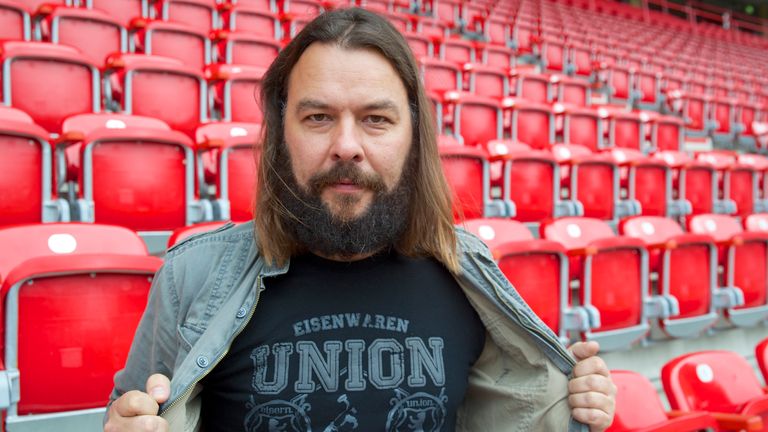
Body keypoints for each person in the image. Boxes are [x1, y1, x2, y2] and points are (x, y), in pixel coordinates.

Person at [104, 7, 616, 432]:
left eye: (376, 119)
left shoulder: (470, 280)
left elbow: (520, 409)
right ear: (281, 136)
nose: (346, 146)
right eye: (318, 117)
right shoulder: (191, 279)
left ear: (414, 138)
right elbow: (132, 409)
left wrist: (577, 401)